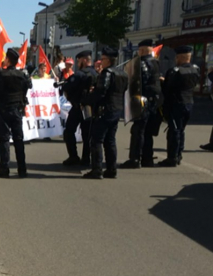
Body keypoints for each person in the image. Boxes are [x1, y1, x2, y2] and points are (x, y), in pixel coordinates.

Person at [0, 48, 33, 178]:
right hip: (17, 110)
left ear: (7, 59)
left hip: (3, 110)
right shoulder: (22, 74)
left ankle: (4, 169)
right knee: (18, 139)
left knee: (4, 139)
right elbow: (28, 86)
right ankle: (22, 169)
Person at [82, 47, 128, 179]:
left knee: (96, 140)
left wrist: (86, 100)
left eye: (102, 59)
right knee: (110, 140)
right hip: (116, 110)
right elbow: (124, 89)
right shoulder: (123, 73)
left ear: (108, 60)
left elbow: (101, 92)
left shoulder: (106, 73)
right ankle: (111, 169)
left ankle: (97, 170)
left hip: (105, 110)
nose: (101, 61)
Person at [122, 39, 163, 169]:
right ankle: (147, 158)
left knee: (138, 130)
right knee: (148, 132)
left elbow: (140, 82)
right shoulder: (156, 63)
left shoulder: (142, 63)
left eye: (139, 50)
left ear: (142, 50)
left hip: (143, 100)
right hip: (154, 101)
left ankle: (134, 159)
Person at [158, 46, 200, 167]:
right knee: (181, 130)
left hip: (176, 103)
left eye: (177, 57)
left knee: (174, 131)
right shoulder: (195, 69)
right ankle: (179, 155)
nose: (175, 59)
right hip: (189, 102)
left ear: (180, 57)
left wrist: (163, 81)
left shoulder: (174, 71)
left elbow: (167, 89)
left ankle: (172, 158)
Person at [60, 50, 98, 166]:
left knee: (69, 131)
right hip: (91, 107)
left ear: (85, 60)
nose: (78, 63)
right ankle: (86, 158)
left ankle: (73, 156)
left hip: (78, 108)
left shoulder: (79, 74)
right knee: (87, 134)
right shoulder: (96, 73)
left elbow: (67, 87)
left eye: (79, 61)